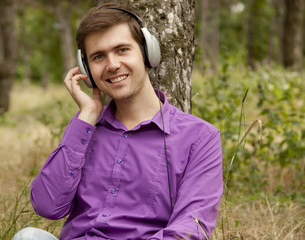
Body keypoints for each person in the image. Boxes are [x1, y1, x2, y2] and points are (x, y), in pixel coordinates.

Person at [13, 2, 223, 240]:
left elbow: (190, 228)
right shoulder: (84, 130)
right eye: (98, 56)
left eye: (122, 50)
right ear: (87, 70)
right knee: (28, 236)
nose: (112, 65)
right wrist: (87, 117)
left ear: (147, 53)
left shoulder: (200, 137)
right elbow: (47, 207)